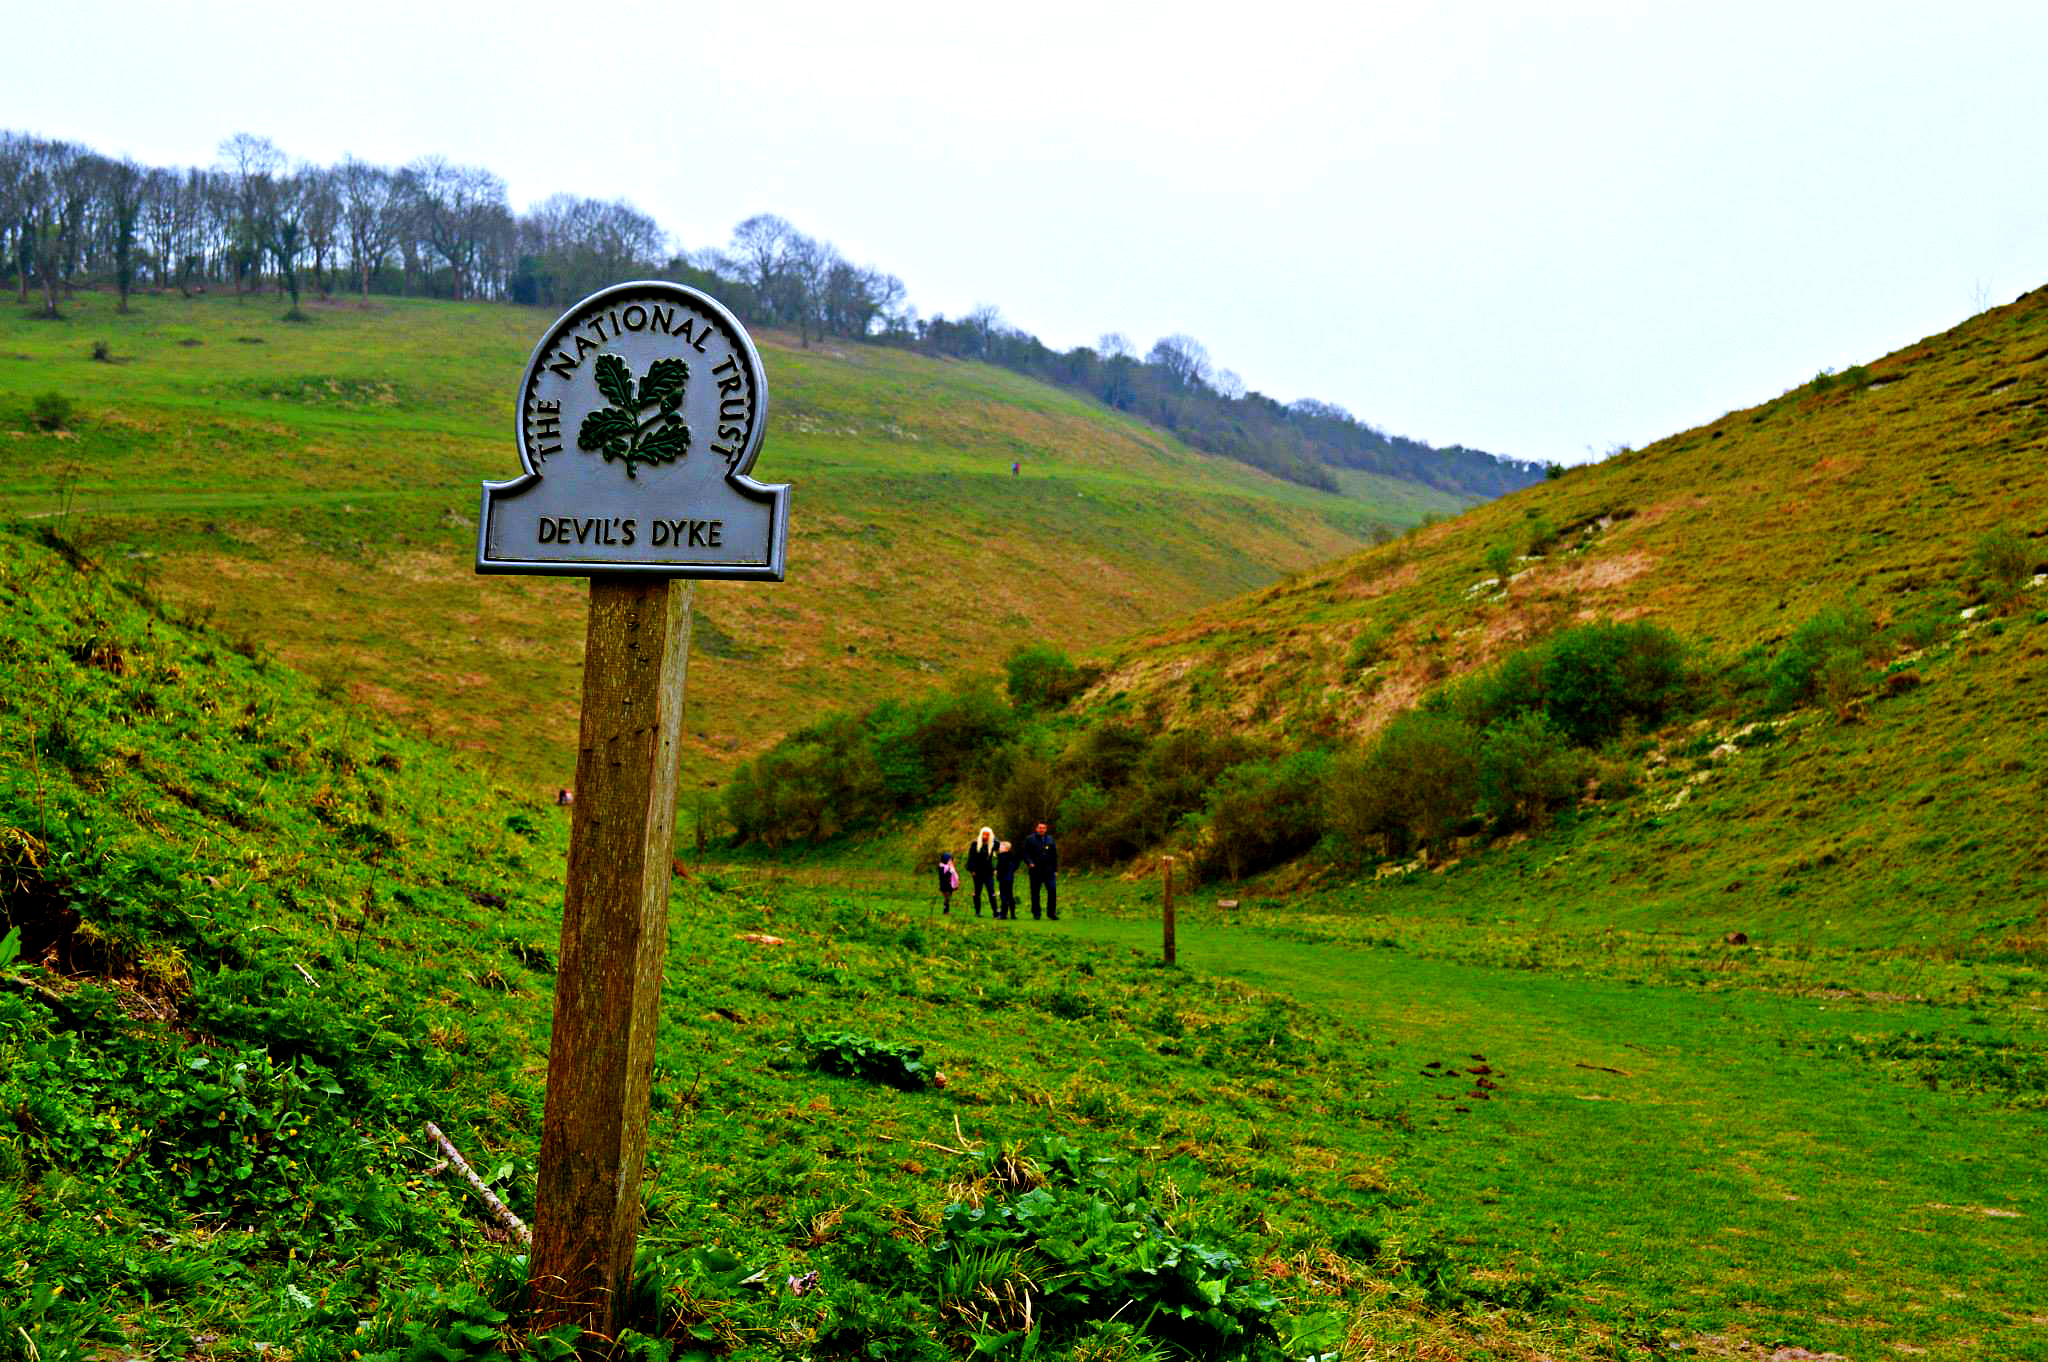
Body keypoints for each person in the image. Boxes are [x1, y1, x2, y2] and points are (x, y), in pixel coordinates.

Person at [1023, 821, 1059, 920]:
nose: (1041, 829)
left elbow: (1054, 855)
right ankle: (1036, 913)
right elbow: (1025, 853)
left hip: (1049, 870)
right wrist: (1029, 862)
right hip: (1035, 870)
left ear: (1046, 829)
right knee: (1035, 892)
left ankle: (1051, 913)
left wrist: (1055, 869)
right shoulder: (1030, 839)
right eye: (1040, 828)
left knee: (1052, 890)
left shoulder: (1050, 839)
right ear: (1036, 828)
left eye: (1043, 828)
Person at [965, 827, 1000, 916]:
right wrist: (972, 870)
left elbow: (999, 845)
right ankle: (978, 912)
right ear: (981, 834)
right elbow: (971, 858)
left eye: (987, 834)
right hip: (977, 871)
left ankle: (996, 911)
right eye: (984, 834)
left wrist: (993, 836)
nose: (985, 836)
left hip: (988, 871)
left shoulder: (992, 844)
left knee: (991, 891)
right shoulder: (975, 844)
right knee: (978, 891)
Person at [995, 838, 1022, 921]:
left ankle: (1003, 914)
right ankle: (1013, 914)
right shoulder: (1012, 856)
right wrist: (1012, 871)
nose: (999, 848)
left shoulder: (1003, 856)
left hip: (1004, 879)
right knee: (1010, 895)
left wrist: (997, 871)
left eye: (1001, 847)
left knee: (1003, 896)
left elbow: (1002, 867)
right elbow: (1016, 863)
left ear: (1006, 848)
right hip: (1010, 878)